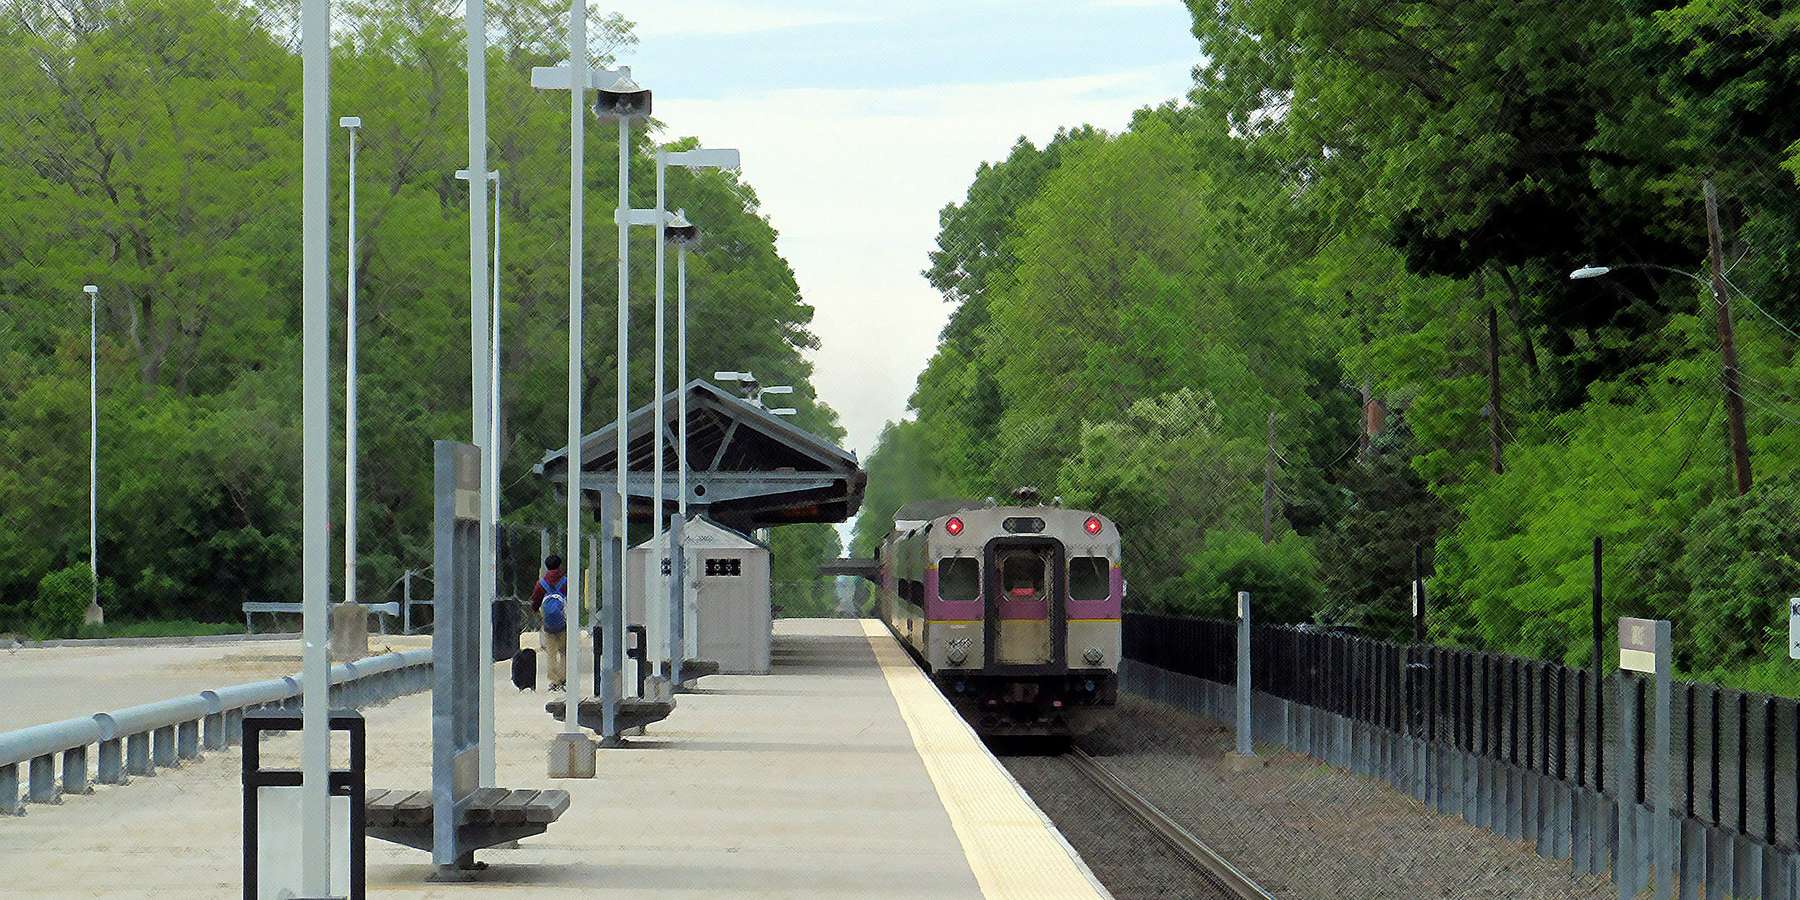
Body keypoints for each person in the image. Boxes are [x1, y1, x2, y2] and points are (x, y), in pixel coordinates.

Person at [530, 555, 569, 691]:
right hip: (563, 620)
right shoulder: (565, 581)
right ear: (559, 565)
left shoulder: (542, 583)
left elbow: (535, 601)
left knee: (551, 652)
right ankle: (564, 677)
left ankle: (554, 680)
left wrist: (536, 611)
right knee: (564, 651)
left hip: (548, 623)